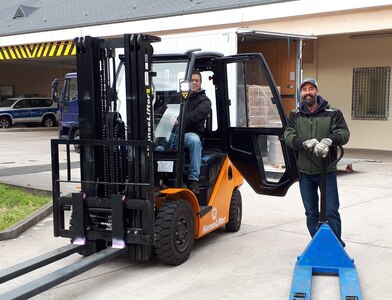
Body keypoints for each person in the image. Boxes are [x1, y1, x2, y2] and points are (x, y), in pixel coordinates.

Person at [284, 78, 350, 247]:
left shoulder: (332, 112)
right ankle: (318, 244)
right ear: (301, 93)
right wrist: (303, 143)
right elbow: (288, 136)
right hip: (305, 171)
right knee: (311, 212)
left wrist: (328, 140)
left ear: (317, 92)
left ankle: (335, 246)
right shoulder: (295, 114)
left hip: (326, 170)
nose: (308, 92)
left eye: (311, 89)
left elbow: (344, 133)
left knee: (331, 211)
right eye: (304, 89)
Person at [183, 71, 212, 194]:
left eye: (197, 80)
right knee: (157, 143)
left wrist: (180, 120)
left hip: (190, 133)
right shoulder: (181, 97)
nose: (194, 83)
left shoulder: (205, 101)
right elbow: (166, 109)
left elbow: (195, 116)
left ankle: (193, 179)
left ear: (200, 83)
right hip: (175, 134)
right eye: (192, 80)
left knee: (194, 141)